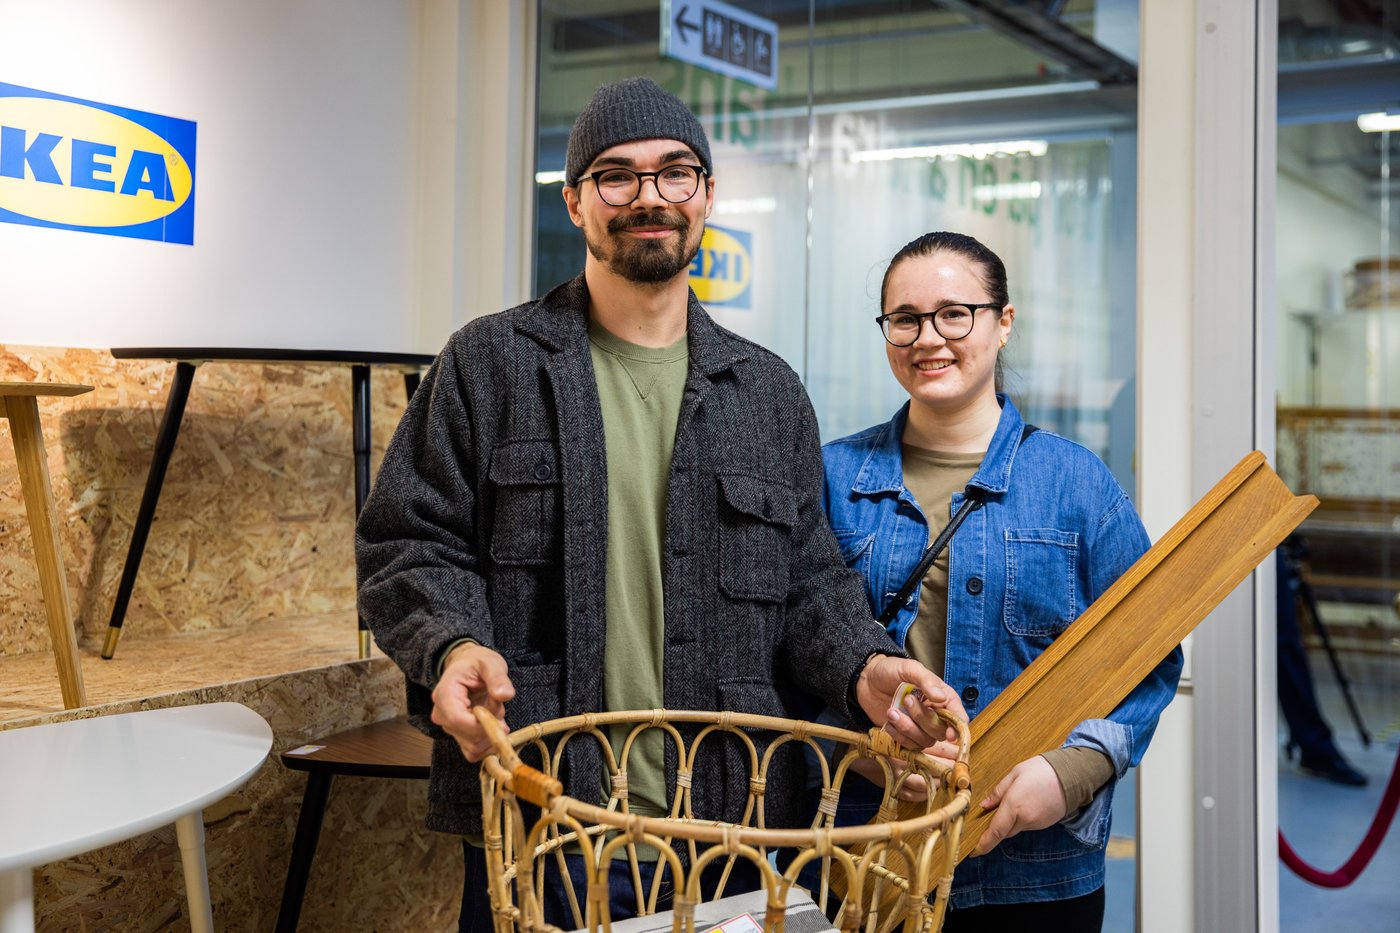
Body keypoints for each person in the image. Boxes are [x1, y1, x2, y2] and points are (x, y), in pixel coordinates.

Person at [355, 79, 964, 933]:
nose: (649, 195)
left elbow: (811, 584)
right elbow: (406, 543)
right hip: (542, 825)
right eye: (616, 175)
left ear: (707, 195)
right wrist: (452, 644)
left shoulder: (768, 392)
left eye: (676, 172)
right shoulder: (488, 365)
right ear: (574, 202)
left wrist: (867, 667)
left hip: (735, 833)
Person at [820, 231, 1183, 930]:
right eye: (906, 318)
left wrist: (1072, 771)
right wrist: (863, 753)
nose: (929, 337)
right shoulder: (833, 478)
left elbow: (1151, 656)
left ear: (1003, 321)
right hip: (869, 859)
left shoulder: (1076, 483)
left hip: (1035, 874)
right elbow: (793, 649)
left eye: (956, 313)